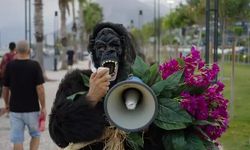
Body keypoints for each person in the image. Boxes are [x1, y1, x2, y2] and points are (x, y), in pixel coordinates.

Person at [49, 22, 165, 150]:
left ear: (123, 51)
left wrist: (147, 124)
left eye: (114, 46)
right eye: (101, 48)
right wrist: (90, 99)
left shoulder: (142, 84)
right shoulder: (76, 82)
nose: (109, 51)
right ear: (94, 54)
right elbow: (58, 135)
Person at [2, 40, 46, 150]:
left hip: (15, 110)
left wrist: (6, 104)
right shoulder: (35, 65)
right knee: (35, 135)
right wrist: (43, 107)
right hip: (32, 109)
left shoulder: (10, 66)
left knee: (17, 139)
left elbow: (5, 88)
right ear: (29, 51)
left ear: (16, 51)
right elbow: (40, 88)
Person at [0, 42, 16, 116]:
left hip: (5, 77)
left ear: (9, 48)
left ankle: (7, 107)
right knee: (13, 94)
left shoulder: (5, 56)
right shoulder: (16, 56)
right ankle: (11, 109)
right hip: (14, 77)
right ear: (15, 48)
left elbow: (1, 66)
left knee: (6, 92)